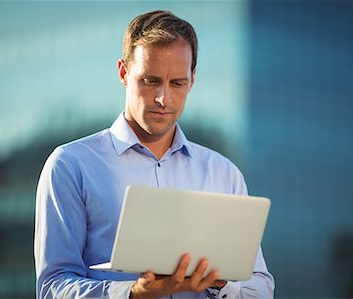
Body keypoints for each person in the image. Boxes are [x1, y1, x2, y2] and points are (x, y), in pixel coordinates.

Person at [34, 10, 275, 299]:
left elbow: (260, 290)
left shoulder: (223, 173)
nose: (164, 99)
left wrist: (219, 282)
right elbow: (52, 288)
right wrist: (133, 294)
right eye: (150, 81)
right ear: (124, 73)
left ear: (192, 79)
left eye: (177, 83)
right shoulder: (71, 166)